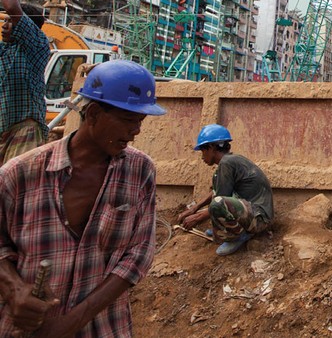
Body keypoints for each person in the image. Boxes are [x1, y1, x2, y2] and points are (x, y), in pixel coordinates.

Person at [0, 60, 166, 337]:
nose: (136, 132)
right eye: (128, 120)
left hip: (103, 328)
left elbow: (138, 256)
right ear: (93, 114)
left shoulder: (139, 172)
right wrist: (14, 289)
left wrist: (73, 321)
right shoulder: (19, 175)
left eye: (140, 122)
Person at [177, 124, 274, 256]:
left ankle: (237, 236)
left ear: (211, 148)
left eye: (203, 151)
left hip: (258, 219)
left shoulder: (227, 163)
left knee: (217, 204)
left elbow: (219, 201)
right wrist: (194, 208)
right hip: (254, 214)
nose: (202, 157)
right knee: (217, 201)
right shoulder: (230, 162)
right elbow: (218, 191)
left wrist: (197, 218)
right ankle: (226, 230)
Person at [0, 0, 51, 165]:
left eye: (9, 22)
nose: (4, 25)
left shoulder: (36, 46)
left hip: (24, 130)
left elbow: (13, 7)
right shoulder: (5, 50)